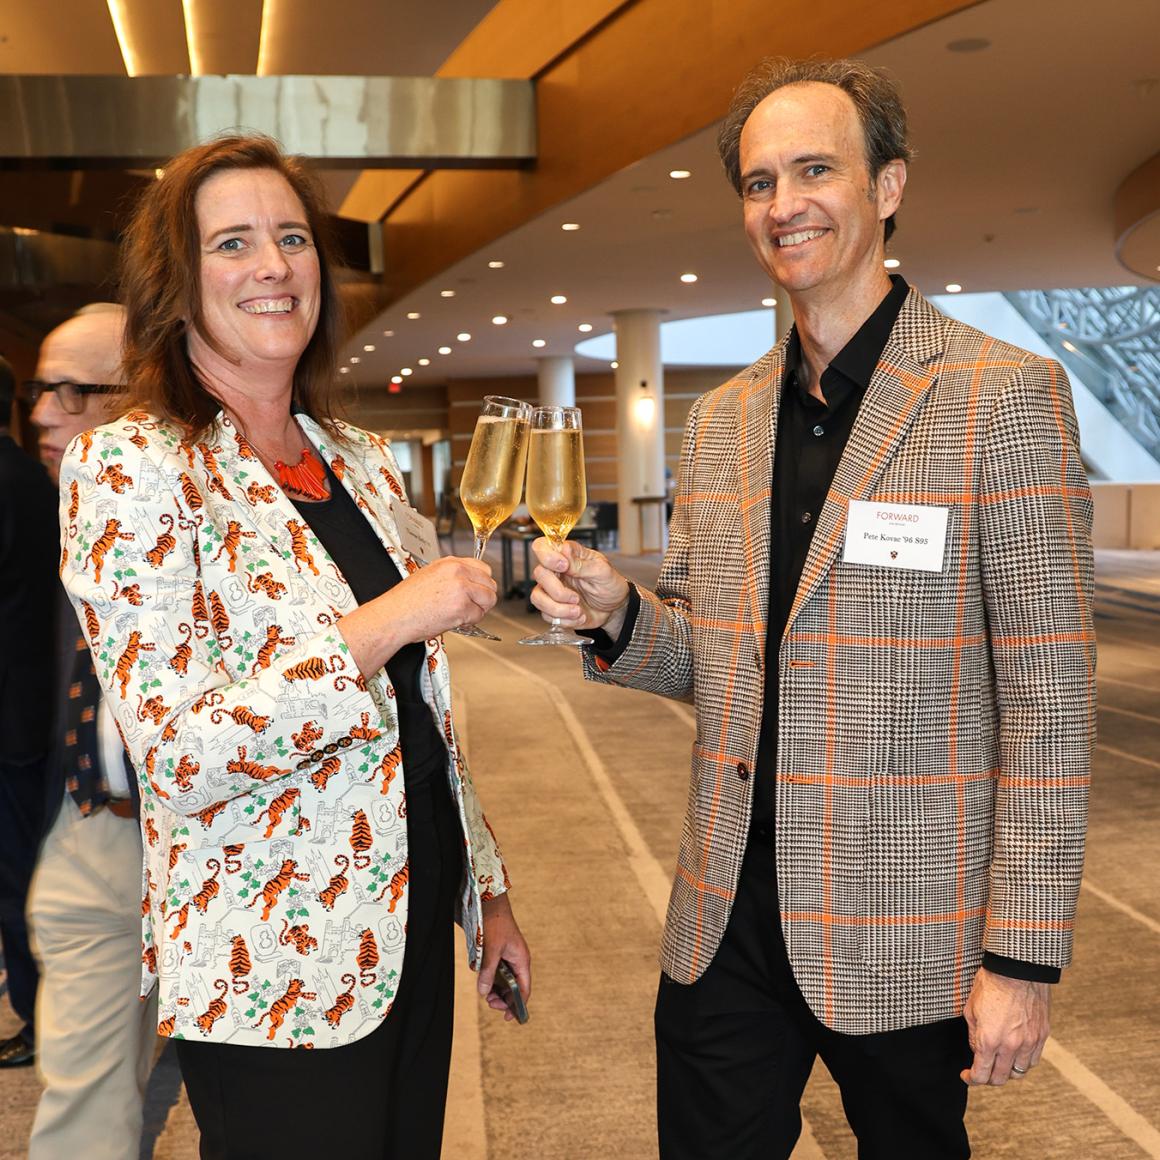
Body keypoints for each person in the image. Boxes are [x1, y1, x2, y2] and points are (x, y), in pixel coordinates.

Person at [531, 56, 1095, 1160]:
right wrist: (619, 616)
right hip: (725, 916)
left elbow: (1048, 695)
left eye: (814, 170)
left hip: (908, 929)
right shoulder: (721, 419)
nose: (782, 204)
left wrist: (1022, 957)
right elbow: (713, 657)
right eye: (758, 182)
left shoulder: (1000, 397)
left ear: (887, 184)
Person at [59, 134, 530, 1159]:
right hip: (272, 964)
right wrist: (389, 618)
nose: (272, 265)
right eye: (232, 242)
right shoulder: (130, 466)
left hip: (408, 931)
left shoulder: (358, 459)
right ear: (176, 283)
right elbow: (178, 753)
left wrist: (485, 891)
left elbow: (420, 713)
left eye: (292, 237)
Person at [22, 306, 156, 1159]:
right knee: (83, 1107)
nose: (43, 413)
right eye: (41, 390)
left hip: (218, 841)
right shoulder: (52, 510)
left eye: (72, 391)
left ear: (143, 394)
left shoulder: (219, 505)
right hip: (89, 830)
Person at [0, 355, 58, 1070]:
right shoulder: (31, 475)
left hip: (12, 716)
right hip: (36, 702)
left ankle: (40, 1018)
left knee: (17, 876)